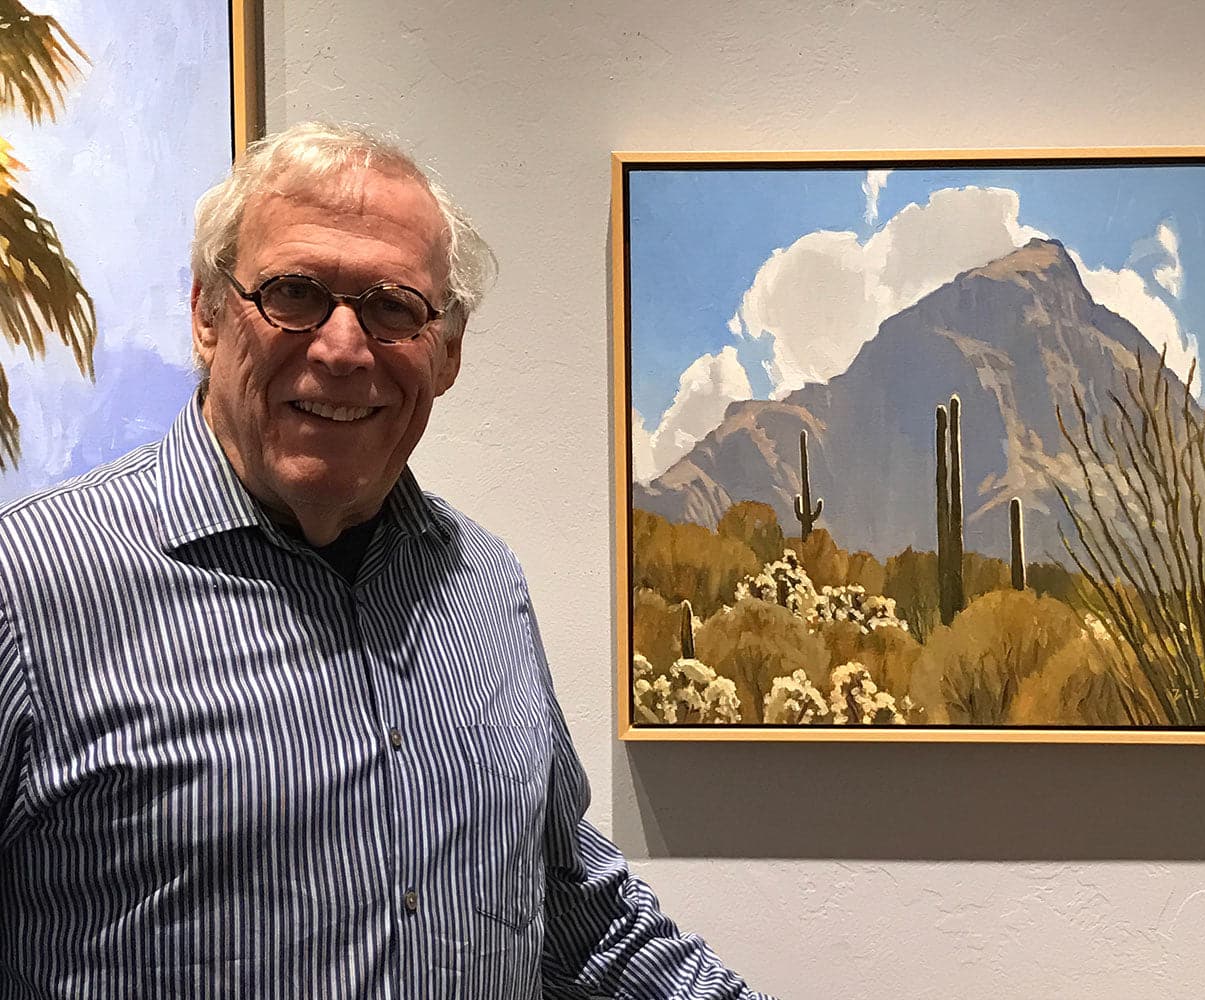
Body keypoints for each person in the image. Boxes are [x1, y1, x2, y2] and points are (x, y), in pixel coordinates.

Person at [0, 122, 772, 999]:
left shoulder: (484, 586)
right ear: (206, 314)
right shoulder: (27, 587)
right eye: (293, 293)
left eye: (393, 307)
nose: (340, 348)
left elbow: (571, 909)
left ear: (447, 352)